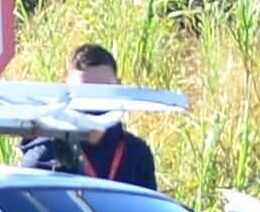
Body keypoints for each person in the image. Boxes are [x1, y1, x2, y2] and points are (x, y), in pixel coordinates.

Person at [22, 39, 162, 188]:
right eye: (84, 92)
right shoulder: (47, 155)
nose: (95, 102)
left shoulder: (135, 153)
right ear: (65, 91)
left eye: (103, 90)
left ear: (119, 87)